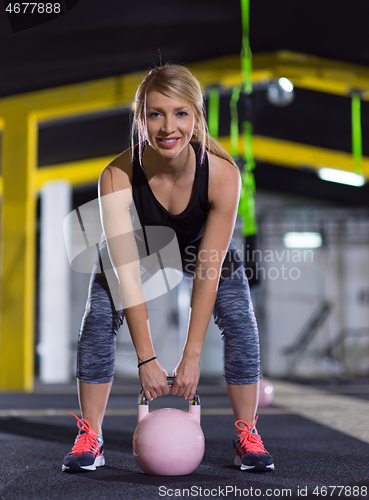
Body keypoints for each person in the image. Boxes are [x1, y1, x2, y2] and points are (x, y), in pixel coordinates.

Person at [62, 64, 274, 473]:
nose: (167, 127)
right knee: (100, 315)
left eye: (179, 113)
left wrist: (191, 356)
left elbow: (209, 269)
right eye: (155, 114)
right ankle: (91, 434)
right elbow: (126, 276)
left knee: (239, 316)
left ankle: (247, 432)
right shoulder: (116, 179)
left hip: (199, 251)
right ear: (140, 119)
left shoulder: (223, 176)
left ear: (196, 118)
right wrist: (146, 359)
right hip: (141, 252)